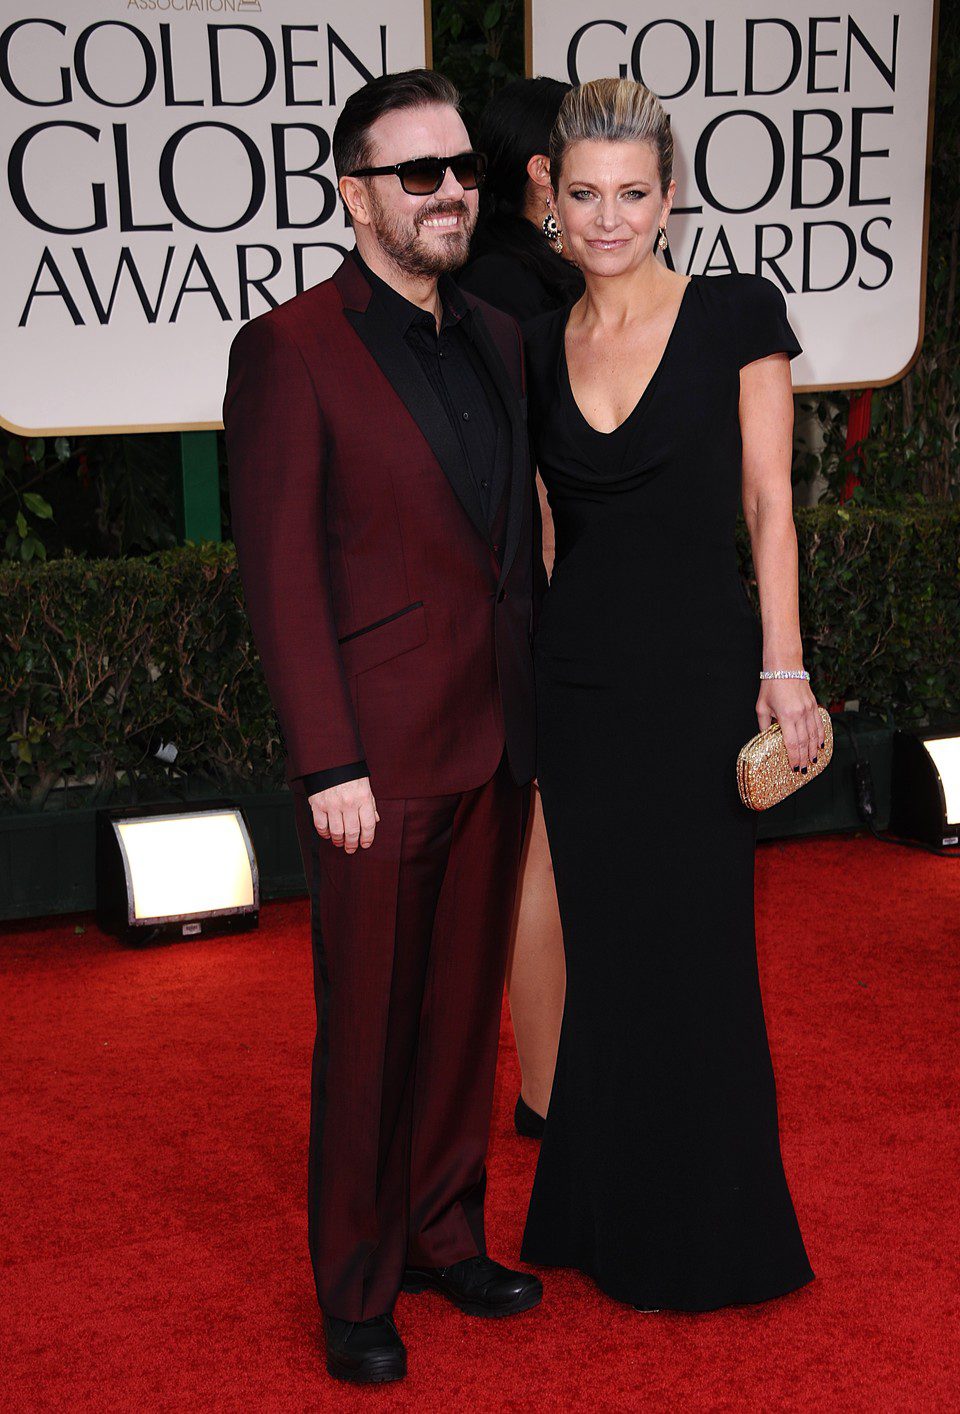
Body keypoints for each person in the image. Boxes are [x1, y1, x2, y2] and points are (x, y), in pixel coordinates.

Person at [223, 69, 543, 1387]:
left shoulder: (500, 334)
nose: (451, 191)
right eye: (419, 173)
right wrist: (328, 758)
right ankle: (357, 1284)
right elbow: (281, 571)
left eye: (462, 167)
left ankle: (443, 1231)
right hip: (377, 756)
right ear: (355, 194)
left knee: (464, 1011)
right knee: (369, 1028)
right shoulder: (291, 348)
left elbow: (507, 541)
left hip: (494, 734)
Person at [519, 77, 817, 1311]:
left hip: (700, 677)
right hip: (578, 687)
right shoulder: (536, 346)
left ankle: (707, 1234)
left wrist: (785, 668)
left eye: (632, 193)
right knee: (606, 949)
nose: (607, 218)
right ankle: (598, 1209)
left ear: (669, 194)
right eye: (585, 193)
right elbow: (542, 535)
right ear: (551, 197)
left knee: (696, 952)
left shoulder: (738, 313)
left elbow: (771, 505)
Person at [459, 78, 584, 1140]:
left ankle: (554, 1081)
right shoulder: (524, 287)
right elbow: (538, 473)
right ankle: (549, 1088)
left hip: (525, 599)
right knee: (545, 842)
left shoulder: (497, 276)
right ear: (544, 169)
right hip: (552, 600)